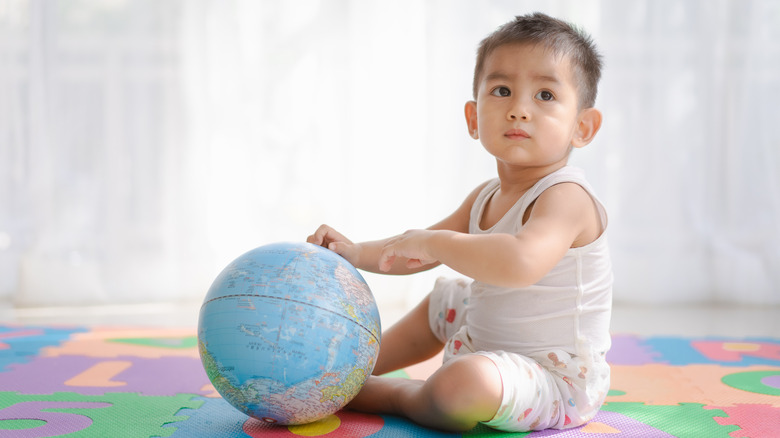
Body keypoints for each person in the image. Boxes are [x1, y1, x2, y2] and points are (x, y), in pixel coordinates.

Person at [307, 12, 612, 433]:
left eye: (544, 95)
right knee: (447, 298)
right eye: (502, 91)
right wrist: (353, 252)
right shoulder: (485, 196)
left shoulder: (568, 198)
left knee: (462, 384)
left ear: (582, 127)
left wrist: (435, 243)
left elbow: (521, 262)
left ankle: (392, 393)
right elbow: (414, 252)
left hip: (550, 380)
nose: (519, 110)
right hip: (487, 350)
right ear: (473, 118)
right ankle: (356, 368)